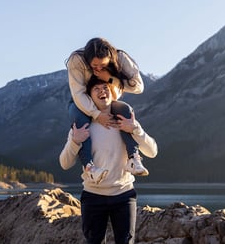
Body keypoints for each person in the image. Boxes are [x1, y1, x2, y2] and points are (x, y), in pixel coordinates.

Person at [59, 76, 158, 244]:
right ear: (88, 98)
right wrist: (75, 141)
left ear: (112, 92)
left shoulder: (126, 121)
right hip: (92, 196)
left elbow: (152, 151)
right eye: (96, 89)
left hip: (124, 195)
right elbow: (65, 163)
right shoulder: (82, 125)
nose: (102, 91)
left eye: (105, 87)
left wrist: (135, 129)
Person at [66, 37, 148, 184]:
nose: (97, 69)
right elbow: (77, 93)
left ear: (110, 58)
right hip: (82, 100)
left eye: (102, 65)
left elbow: (138, 87)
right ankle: (90, 168)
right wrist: (97, 115)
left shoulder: (121, 57)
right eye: (94, 65)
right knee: (80, 121)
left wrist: (110, 78)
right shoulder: (76, 60)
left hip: (108, 99)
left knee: (125, 110)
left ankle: (133, 159)